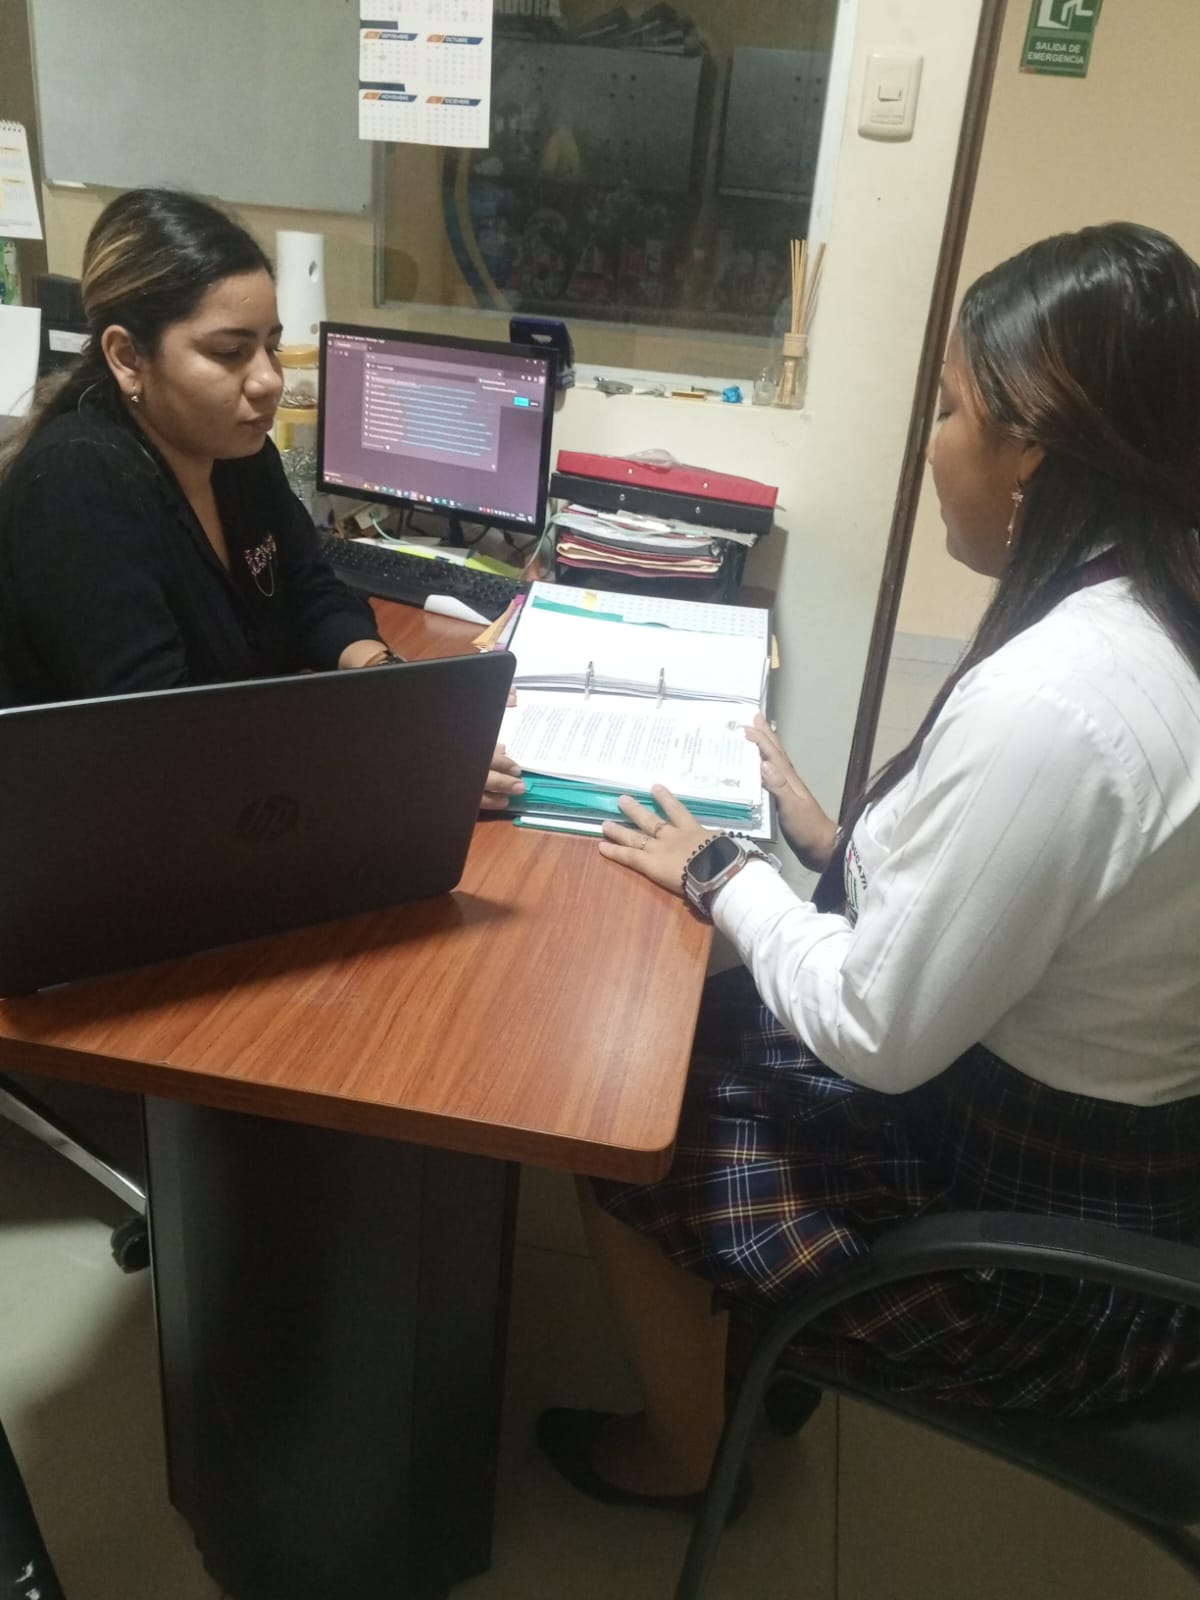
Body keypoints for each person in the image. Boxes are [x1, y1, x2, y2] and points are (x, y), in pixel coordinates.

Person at [536, 221, 1200, 1514]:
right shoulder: (1147, 609)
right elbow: (1046, 908)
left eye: (949, 408)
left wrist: (722, 869)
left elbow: (876, 1032)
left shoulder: (1059, 702)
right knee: (694, 1028)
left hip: (1033, 1262)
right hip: (1103, 1171)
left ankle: (688, 1456)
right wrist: (833, 845)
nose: (931, 443)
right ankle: (746, 1357)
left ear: (1033, 447)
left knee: (624, 1117)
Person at [0, 187, 524, 807]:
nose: (269, 380)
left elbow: (312, 593)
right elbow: (164, 736)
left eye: (270, 345)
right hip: (116, 822)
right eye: (229, 352)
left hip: (241, 794)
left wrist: (395, 692)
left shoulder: (235, 449)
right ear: (127, 357)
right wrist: (390, 751)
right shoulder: (77, 483)